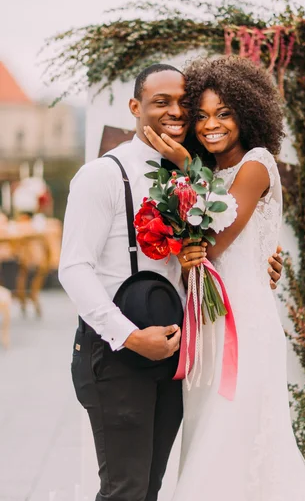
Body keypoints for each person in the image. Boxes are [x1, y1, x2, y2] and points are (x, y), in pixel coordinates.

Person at [58, 63, 283, 501]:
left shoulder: (190, 174)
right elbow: (73, 269)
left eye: (185, 103)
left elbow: (219, 241)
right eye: (162, 102)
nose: (177, 112)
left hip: (175, 354)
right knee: (125, 490)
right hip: (117, 353)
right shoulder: (102, 176)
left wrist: (261, 261)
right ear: (135, 107)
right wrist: (128, 336)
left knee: (149, 489)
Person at [143, 56, 305, 501]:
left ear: (247, 113)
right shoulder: (206, 171)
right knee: (208, 436)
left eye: (223, 113)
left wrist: (185, 163)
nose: (211, 125)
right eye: (201, 115)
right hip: (204, 325)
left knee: (236, 438)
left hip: (242, 322)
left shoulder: (257, 164)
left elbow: (216, 239)